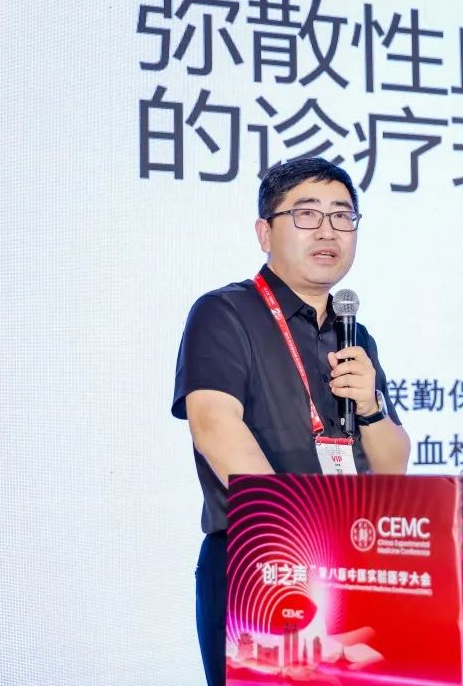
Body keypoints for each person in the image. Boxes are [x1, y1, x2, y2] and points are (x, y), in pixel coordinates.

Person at [171, 157, 410, 686]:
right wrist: (296, 537)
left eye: (342, 216)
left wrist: (369, 406)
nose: (328, 231)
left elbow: (393, 466)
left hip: (353, 563)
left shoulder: (355, 336)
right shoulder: (225, 313)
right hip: (261, 560)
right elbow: (214, 426)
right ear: (265, 232)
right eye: (307, 214)